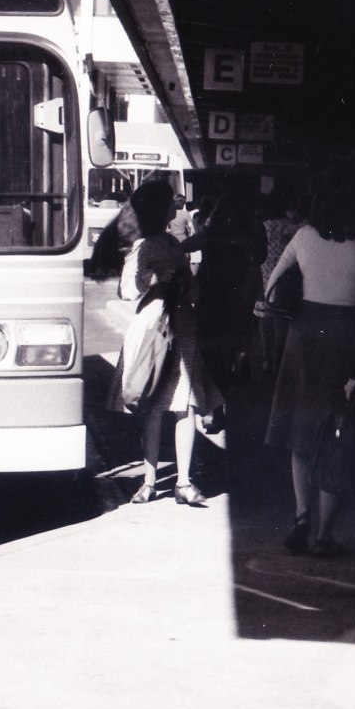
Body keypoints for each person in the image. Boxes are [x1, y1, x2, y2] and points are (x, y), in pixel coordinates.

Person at [263, 185, 355, 557]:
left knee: (301, 430)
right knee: (338, 435)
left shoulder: (304, 236)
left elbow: (272, 287)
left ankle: (302, 517)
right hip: (350, 337)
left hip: (305, 337)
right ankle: (324, 536)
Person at [119, 179, 221, 507]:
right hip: (155, 330)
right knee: (154, 406)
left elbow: (192, 286)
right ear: (158, 209)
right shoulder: (142, 246)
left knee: (184, 404)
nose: (175, 208)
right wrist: (156, 281)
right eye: (169, 203)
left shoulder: (174, 244)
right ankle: (150, 482)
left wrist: (190, 287)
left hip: (182, 326)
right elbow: (126, 289)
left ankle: (183, 482)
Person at [184, 193, 262, 388]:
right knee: (235, 334)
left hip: (209, 292)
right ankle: (235, 367)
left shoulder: (210, 233)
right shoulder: (249, 234)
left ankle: (214, 385)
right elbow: (258, 259)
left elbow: (184, 246)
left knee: (210, 341)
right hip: (237, 291)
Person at [256, 193, 303, 373]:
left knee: (264, 317)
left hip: (264, 275)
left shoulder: (262, 227)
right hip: (283, 280)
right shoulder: (292, 228)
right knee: (280, 320)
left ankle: (265, 358)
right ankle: (277, 360)